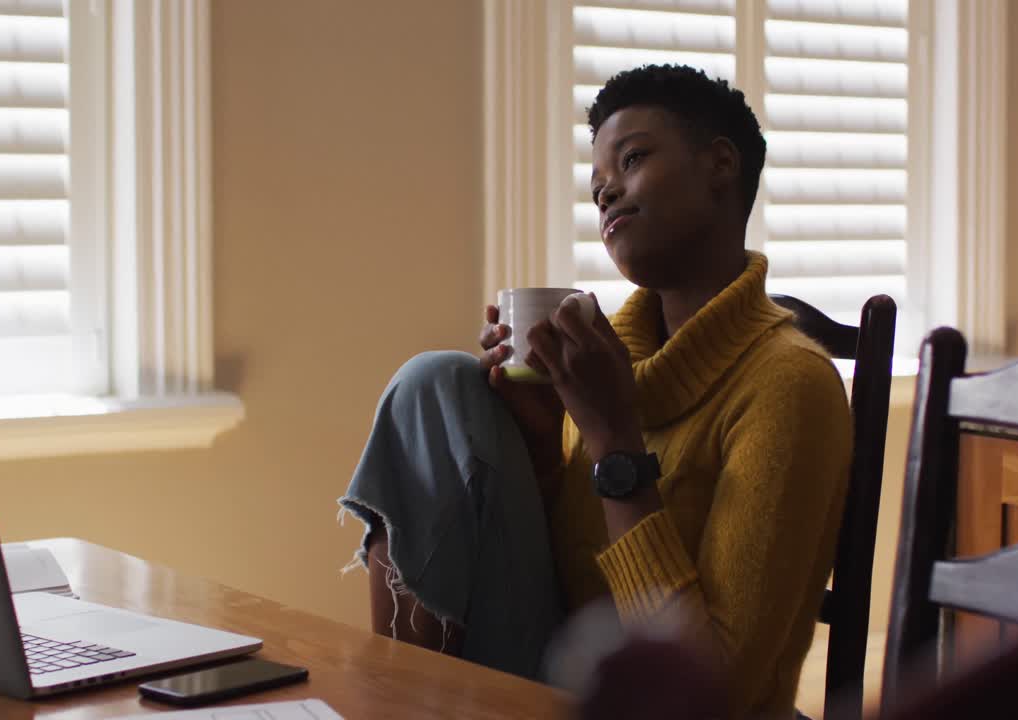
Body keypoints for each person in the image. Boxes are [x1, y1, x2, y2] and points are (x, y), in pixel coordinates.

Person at [338, 63, 852, 719]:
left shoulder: (789, 383)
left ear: (721, 165)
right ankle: (396, 701)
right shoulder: (607, 364)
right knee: (435, 381)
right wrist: (545, 443)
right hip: (569, 675)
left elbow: (713, 693)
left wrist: (614, 444)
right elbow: (569, 581)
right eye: (598, 185)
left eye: (632, 159)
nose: (607, 193)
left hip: (674, 703)